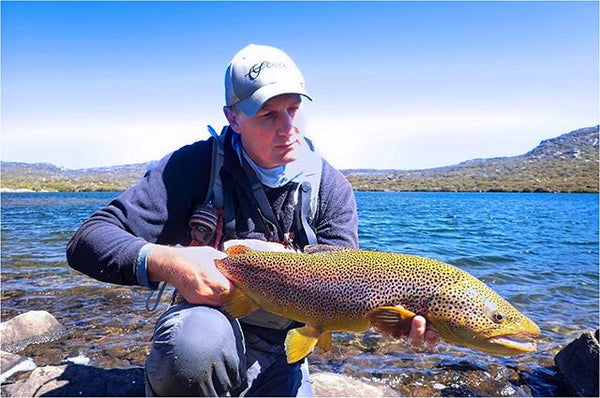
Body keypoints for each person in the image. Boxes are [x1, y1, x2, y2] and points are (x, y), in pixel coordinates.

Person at [66, 44, 438, 397]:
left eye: (294, 109)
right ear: (233, 117)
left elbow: (344, 288)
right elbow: (88, 241)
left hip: (285, 349)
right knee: (195, 347)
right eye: (269, 115)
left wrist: (394, 319)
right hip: (208, 330)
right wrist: (169, 262)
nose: (288, 127)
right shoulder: (192, 168)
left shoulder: (331, 187)